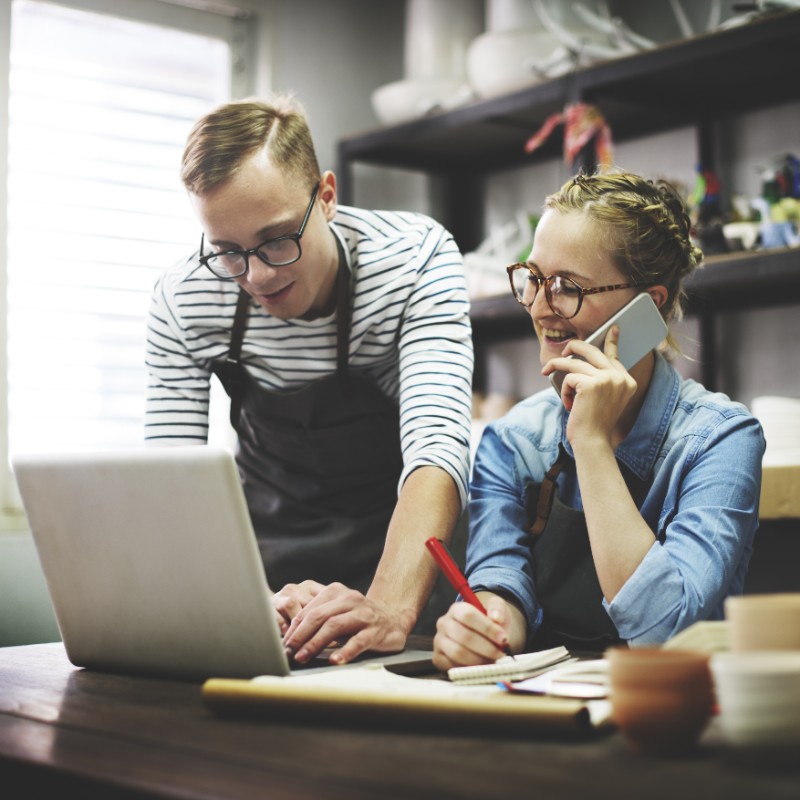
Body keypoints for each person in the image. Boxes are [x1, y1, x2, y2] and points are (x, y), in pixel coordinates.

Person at [145, 95, 473, 665]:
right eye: (228, 251)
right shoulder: (185, 296)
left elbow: (436, 449)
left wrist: (391, 607)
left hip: (398, 569)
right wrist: (232, 603)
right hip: (269, 580)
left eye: (277, 239)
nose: (259, 275)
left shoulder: (415, 258)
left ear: (326, 197)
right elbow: (171, 485)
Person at [432, 170, 765, 671]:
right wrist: (486, 625)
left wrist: (589, 441)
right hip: (549, 712)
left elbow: (666, 631)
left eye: (567, 287)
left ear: (647, 305)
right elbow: (500, 579)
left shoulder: (720, 440)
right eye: (534, 278)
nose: (541, 308)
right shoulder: (514, 441)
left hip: (677, 715)